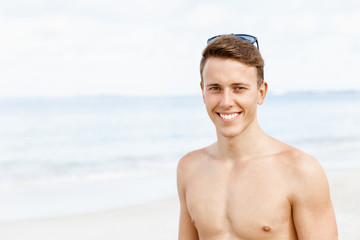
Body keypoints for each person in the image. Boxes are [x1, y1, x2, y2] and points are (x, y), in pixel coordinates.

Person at [177, 34, 338, 240]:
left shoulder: (300, 170)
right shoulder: (189, 168)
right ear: (203, 92)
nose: (226, 102)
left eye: (239, 88)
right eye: (215, 88)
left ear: (261, 92)